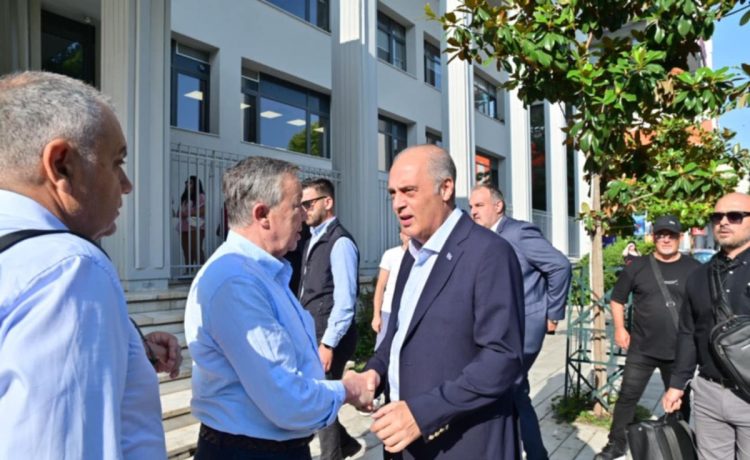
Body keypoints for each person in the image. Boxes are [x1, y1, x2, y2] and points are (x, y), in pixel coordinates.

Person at [0, 71, 181, 458]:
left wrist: (130, 350)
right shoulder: (69, 270)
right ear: (61, 165)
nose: (127, 184)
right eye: (117, 162)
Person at [184, 157, 376, 460]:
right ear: (263, 215)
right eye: (296, 205)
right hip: (249, 452)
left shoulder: (262, 272)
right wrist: (348, 389)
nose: (304, 215)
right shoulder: (236, 281)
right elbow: (286, 397)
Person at [355, 145, 525, 459]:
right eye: (393, 193)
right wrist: (374, 372)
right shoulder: (412, 254)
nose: (398, 204)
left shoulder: (489, 253)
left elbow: (502, 358)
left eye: (409, 191)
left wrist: (423, 413)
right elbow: (398, 334)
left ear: (445, 188)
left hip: (464, 444)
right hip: (404, 442)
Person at [469, 183, 572, 460]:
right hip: (504, 328)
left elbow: (560, 266)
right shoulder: (486, 237)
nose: (473, 212)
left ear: (498, 206)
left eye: (479, 205)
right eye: (471, 207)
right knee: (513, 391)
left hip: (525, 326)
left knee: (507, 387)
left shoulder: (517, 232)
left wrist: (552, 313)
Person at [592, 215, 699, 460]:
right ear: (653, 237)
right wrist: (620, 329)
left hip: (680, 350)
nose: (666, 240)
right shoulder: (638, 266)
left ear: (680, 238)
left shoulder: (694, 268)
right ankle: (616, 444)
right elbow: (617, 299)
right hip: (642, 348)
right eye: (660, 235)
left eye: (671, 235)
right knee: (627, 398)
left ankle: (678, 444)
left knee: (680, 402)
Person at [663, 193, 750, 460]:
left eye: (734, 216)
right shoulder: (699, 275)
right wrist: (677, 383)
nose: (723, 222)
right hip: (709, 393)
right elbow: (689, 332)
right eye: (717, 216)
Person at [298, 178, 362, 459]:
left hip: (330, 335)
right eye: (301, 205)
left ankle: (333, 454)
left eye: (309, 203)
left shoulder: (340, 242)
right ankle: (346, 444)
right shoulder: (313, 238)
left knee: (322, 400)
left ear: (328, 202)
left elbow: (345, 302)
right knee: (317, 398)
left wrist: (328, 343)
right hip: (315, 331)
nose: (304, 210)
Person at [372, 231, 410, 350]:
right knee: (382, 349)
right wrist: (376, 315)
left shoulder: (421, 256)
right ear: (400, 235)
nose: (409, 236)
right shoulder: (390, 255)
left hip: (409, 312)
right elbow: (380, 286)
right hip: (388, 311)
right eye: (405, 233)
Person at [178, 175, 206, 267]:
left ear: (196, 185)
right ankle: (188, 270)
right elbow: (179, 212)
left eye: (190, 183)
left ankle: (202, 269)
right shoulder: (184, 197)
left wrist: (187, 213)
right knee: (186, 250)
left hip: (196, 226)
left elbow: (203, 210)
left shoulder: (200, 196)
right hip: (184, 227)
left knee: (196, 249)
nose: (187, 185)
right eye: (186, 183)